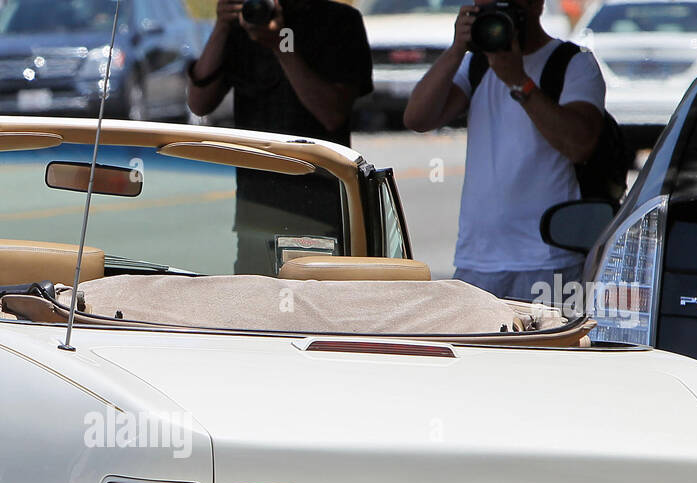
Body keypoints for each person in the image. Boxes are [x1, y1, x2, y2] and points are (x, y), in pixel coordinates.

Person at [403, 1, 606, 303]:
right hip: (478, 260)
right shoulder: (476, 64)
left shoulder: (573, 63)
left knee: (550, 350)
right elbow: (417, 118)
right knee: (476, 350)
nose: (498, 15)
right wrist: (458, 47)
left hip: (549, 260)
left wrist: (519, 81)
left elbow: (579, 145)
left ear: (537, 4)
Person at [187, 0, 372, 275]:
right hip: (257, 208)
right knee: (254, 306)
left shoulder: (340, 22)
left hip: (321, 208)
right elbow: (199, 103)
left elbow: (332, 114)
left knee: (319, 305)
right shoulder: (244, 24)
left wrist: (280, 46)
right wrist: (222, 26)